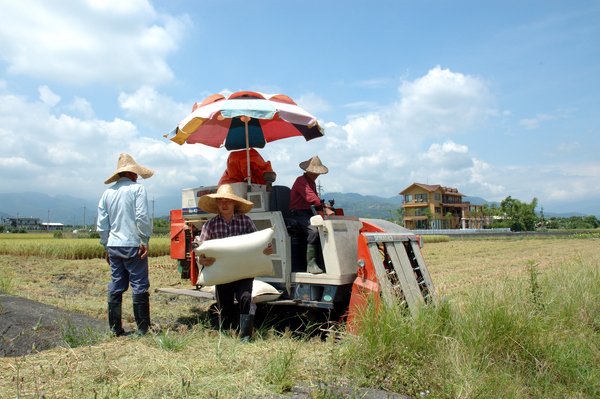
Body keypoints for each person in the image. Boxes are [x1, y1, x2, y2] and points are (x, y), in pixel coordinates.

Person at [196, 184, 274, 342]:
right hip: (222, 274)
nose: (223, 205)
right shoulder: (210, 225)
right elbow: (201, 250)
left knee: (245, 297)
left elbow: (258, 243)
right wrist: (201, 259)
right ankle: (224, 335)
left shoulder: (245, 222)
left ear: (234, 203)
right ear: (217, 204)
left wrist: (266, 249)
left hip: (243, 272)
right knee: (224, 305)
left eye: (227, 201)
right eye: (220, 201)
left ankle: (245, 336)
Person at [97, 153, 154, 336]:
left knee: (116, 284)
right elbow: (142, 217)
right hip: (132, 244)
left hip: (114, 245)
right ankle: (143, 329)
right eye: (135, 173)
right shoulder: (137, 190)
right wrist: (144, 240)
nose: (137, 176)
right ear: (131, 173)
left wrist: (106, 244)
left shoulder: (107, 193)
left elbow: (102, 223)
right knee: (139, 284)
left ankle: (115, 329)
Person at [289, 155, 334, 274]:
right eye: (314, 172)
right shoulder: (301, 181)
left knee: (325, 229)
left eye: (317, 173)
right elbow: (312, 198)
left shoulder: (312, 182)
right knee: (313, 230)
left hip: (308, 211)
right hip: (298, 212)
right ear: (307, 171)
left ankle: (323, 262)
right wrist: (324, 206)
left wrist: (325, 206)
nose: (316, 175)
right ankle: (311, 264)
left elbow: (315, 200)